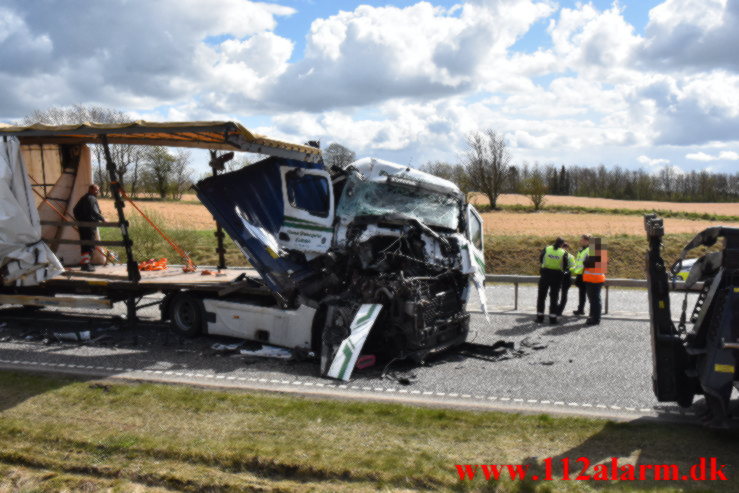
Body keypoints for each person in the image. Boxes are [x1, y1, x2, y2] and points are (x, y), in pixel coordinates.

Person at [536, 237, 570, 324]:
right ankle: (553, 318)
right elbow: (565, 265)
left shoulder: (547, 249)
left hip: (545, 274)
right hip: (557, 276)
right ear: (562, 244)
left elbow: (541, 259)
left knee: (541, 297)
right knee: (554, 298)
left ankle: (540, 317)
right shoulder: (563, 252)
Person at [72, 184, 105, 272]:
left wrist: (79, 220)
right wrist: (103, 219)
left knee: (84, 244)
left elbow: (75, 210)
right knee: (90, 245)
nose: (98, 192)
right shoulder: (92, 198)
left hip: (82, 225)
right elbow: (94, 212)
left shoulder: (84, 198)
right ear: (91, 190)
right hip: (90, 226)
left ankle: (84, 263)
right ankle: (86, 264)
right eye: (96, 190)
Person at [582, 237, 607, 326]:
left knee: (594, 300)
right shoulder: (602, 255)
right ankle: (593, 317)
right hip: (598, 279)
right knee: (595, 300)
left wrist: (587, 258)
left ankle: (595, 319)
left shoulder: (593, 256)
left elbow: (585, 263)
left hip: (592, 280)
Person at [571, 234, 591, 316]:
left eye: (582, 240)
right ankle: (581, 309)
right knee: (582, 293)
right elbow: (578, 263)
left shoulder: (589, 250)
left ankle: (591, 312)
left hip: (586, 274)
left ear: (587, 241)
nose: (580, 241)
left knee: (590, 294)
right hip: (580, 274)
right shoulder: (581, 250)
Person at [555, 242, 575, 316]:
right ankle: (558, 309)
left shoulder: (570, 257)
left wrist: (568, 270)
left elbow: (573, 267)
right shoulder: (570, 256)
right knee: (559, 294)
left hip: (564, 277)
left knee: (562, 294)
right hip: (562, 276)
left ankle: (559, 310)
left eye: (564, 248)